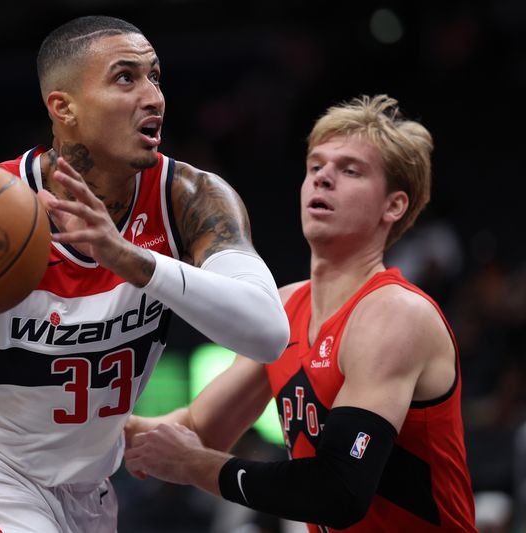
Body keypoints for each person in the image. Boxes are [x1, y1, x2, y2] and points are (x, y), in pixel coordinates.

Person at [0, 15, 290, 533]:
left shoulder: (190, 199)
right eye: (125, 78)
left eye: (155, 77)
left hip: (85, 491)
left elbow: (269, 334)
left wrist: (133, 260)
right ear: (64, 108)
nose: (153, 96)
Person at [124, 95, 477, 532]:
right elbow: (197, 429)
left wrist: (195, 465)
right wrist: (80, 428)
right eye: (315, 166)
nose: (323, 178)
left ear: (394, 206)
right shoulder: (287, 306)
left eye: (350, 170)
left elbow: (337, 491)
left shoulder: (395, 313)